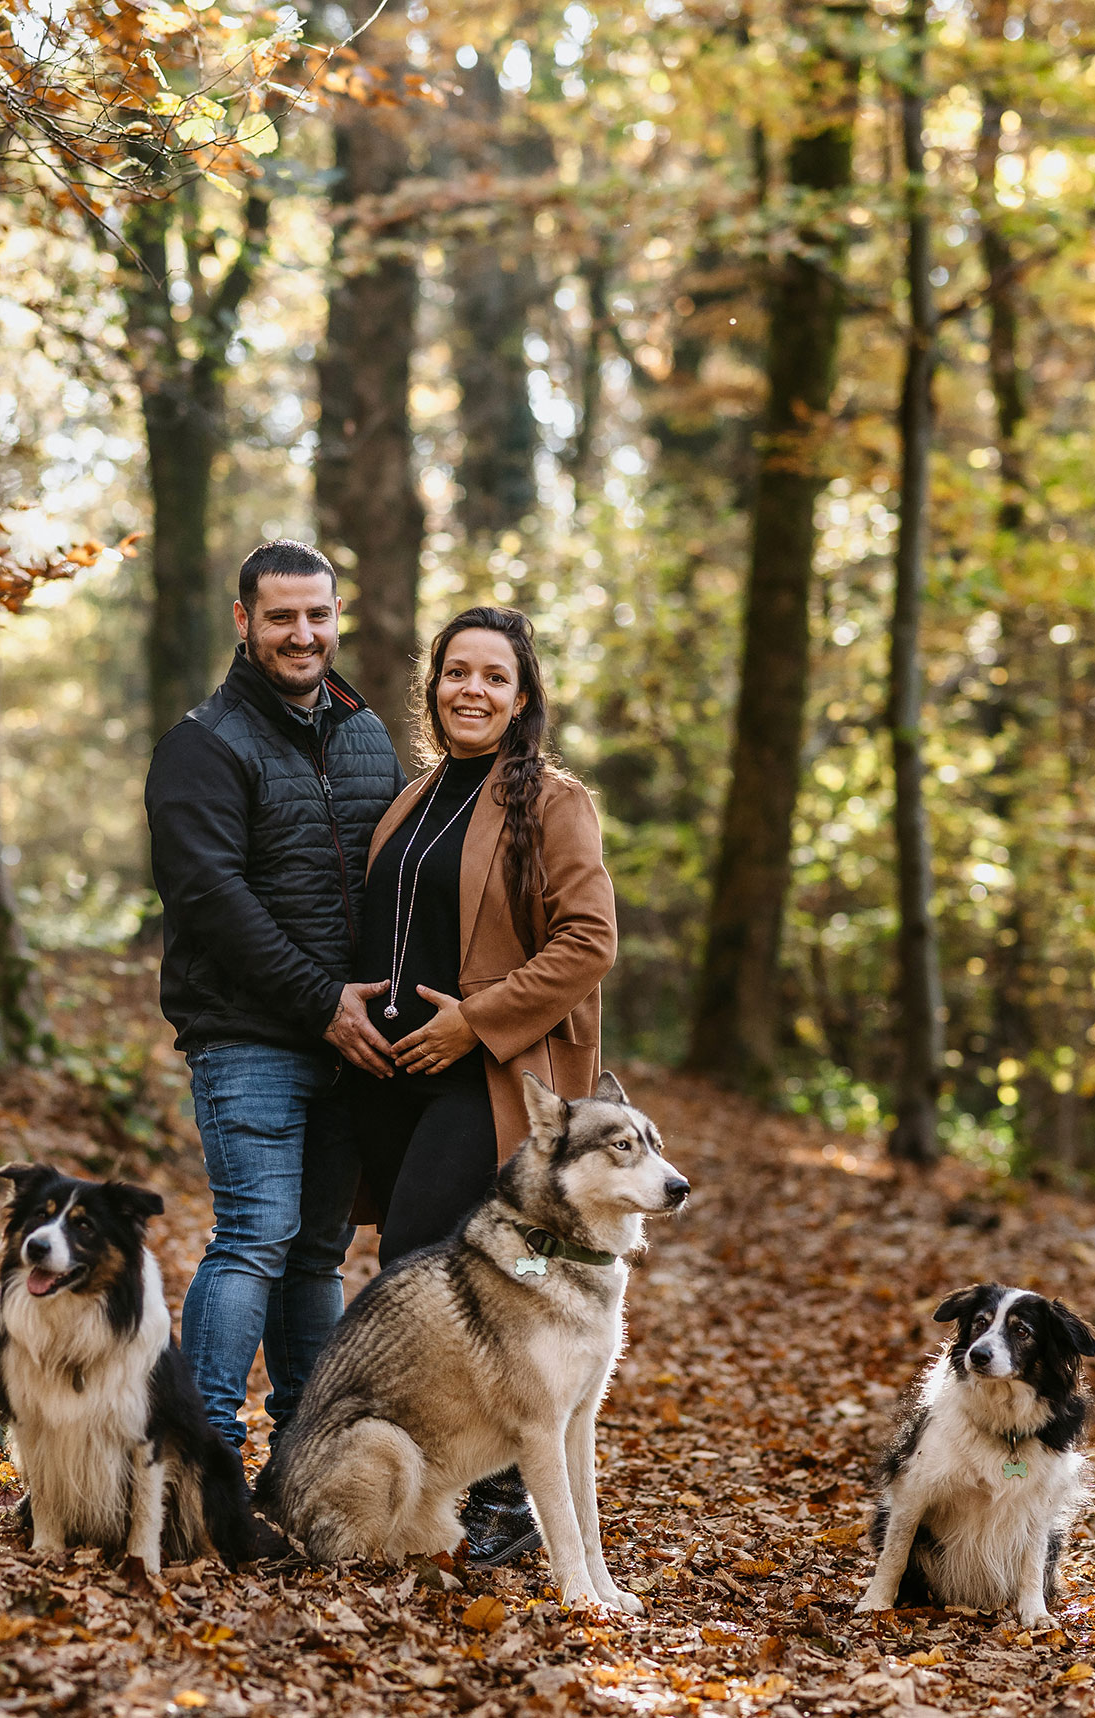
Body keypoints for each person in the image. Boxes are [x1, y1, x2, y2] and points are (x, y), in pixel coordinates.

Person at [346, 604, 618, 1563]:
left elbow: (589, 941)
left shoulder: (552, 802)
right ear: (433, 689)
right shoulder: (415, 798)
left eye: (494, 677)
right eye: (457, 673)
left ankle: (501, 1499)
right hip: (389, 1076)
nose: (473, 690)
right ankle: (402, 1480)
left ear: (523, 697)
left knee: (437, 1264)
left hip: (490, 1074)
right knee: (415, 1274)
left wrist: (475, 1019)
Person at [144, 540, 406, 1451]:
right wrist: (320, 1001)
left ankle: (304, 1453)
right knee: (257, 1233)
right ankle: (201, 1449)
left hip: (350, 1042)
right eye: (283, 615)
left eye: (319, 615)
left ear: (338, 618)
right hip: (250, 1034)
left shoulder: (368, 734)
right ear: (244, 620)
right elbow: (211, 900)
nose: (303, 634)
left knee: (318, 1254)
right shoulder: (201, 746)